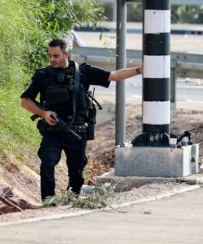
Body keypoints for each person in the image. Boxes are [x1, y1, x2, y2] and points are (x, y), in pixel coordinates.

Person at [21, 38, 143, 201]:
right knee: (47, 165)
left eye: (56, 56)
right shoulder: (43, 75)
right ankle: (48, 202)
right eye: (50, 56)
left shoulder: (83, 72)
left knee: (76, 173)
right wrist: (43, 113)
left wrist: (139, 70)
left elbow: (114, 75)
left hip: (76, 132)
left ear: (66, 54)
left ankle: (71, 200)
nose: (52, 60)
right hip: (52, 131)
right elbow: (25, 101)